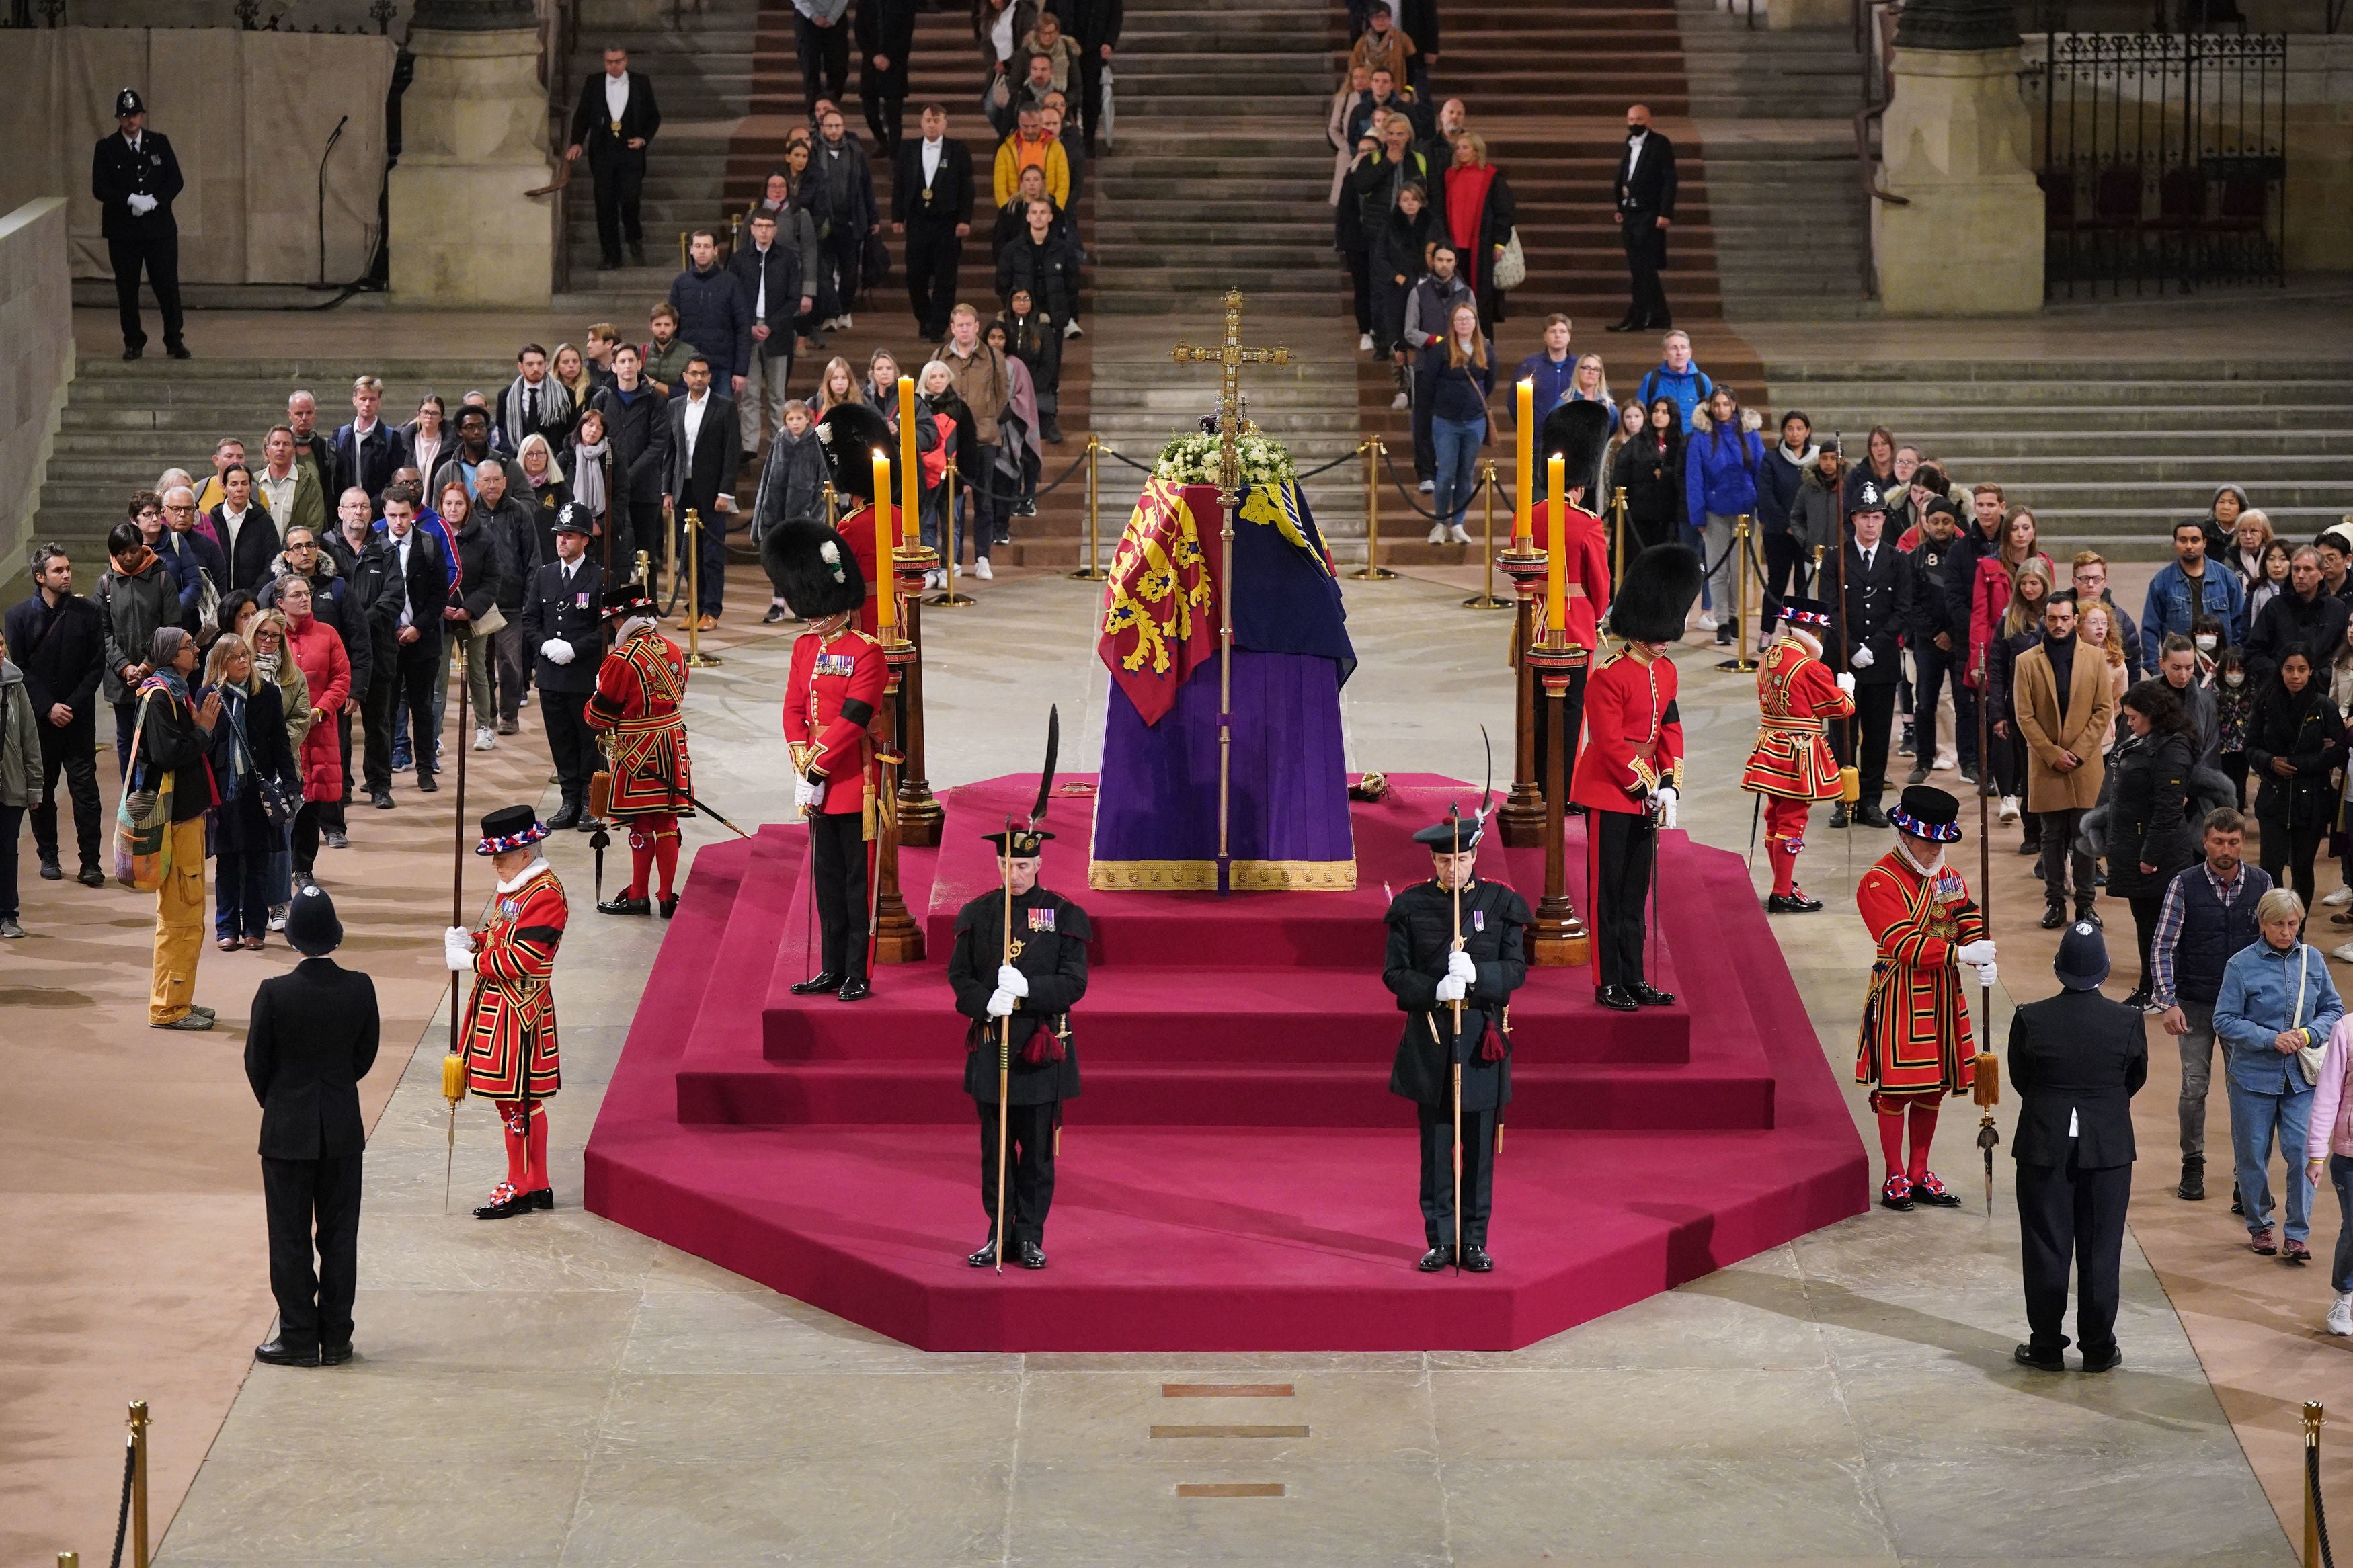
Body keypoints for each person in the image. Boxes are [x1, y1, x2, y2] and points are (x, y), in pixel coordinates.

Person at [1378, 810, 1529, 1273]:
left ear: (1475, 856)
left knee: (1479, 1152)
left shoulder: (1501, 903)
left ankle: (1475, 1241)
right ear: (1433, 859)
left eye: (1461, 859)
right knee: (1437, 1150)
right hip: (1432, 1041)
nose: (1453, 868)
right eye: (1445, 860)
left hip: (1481, 1045)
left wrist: (1479, 976)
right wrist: (1436, 989)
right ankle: (1441, 1239)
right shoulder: (1410, 905)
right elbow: (1395, 974)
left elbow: (1517, 970)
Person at [944, 815, 1090, 1268]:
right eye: (1006, 864)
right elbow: (959, 976)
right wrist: (988, 1002)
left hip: (1041, 1051)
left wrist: (1027, 989)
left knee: (1037, 1154)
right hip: (994, 1042)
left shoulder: (1064, 915)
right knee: (996, 1151)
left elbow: (1074, 983)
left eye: (1022, 865)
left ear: (1039, 863)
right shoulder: (979, 912)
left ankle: (1029, 1235)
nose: (1014, 874)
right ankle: (998, 1232)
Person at [243, 884, 378, 1366]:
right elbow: (364, 1055)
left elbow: (256, 1061)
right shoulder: (360, 986)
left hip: (286, 1131)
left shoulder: (274, 993)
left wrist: (280, 1102)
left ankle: (299, 1335)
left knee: (290, 1237)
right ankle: (337, 1336)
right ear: (335, 937)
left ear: (294, 939)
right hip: (342, 1129)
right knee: (340, 1236)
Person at [2007, 919, 2146, 1372]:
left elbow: (2021, 1079)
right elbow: (2134, 1078)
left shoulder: (2031, 1016)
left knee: (2046, 1245)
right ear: (2104, 970)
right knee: (2101, 1248)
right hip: (2107, 1147)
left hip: (2043, 1142)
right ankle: (2099, 1347)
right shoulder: (2126, 1020)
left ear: (2058, 967)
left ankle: (2047, 1344)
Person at [1855, 784, 1996, 1210]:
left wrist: (1982, 949)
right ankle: (1893, 1173)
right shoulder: (1879, 881)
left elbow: (1966, 913)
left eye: (1940, 842)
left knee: (1932, 1088)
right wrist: (1961, 953)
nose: (1935, 851)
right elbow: (1902, 943)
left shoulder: (1948, 876)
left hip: (1941, 993)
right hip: (1900, 992)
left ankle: (1919, 1171)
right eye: (1927, 841)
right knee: (1897, 1091)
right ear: (1904, 834)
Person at [1572, 543, 1700, 1012]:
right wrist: (1645, 786)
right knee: (1607, 893)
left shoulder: (1665, 671)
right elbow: (1607, 743)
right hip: (1610, 791)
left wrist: (1670, 783)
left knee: (1635, 893)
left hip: (1645, 794)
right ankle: (1608, 980)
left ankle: (1634, 975)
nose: (1666, 637)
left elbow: (1671, 728)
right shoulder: (1608, 674)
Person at [769, 519, 886, 997]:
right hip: (817, 783)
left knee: (858, 886)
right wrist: (801, 759)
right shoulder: (803, 648)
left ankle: (858, 971)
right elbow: (794, 706)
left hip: (853, 780)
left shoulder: (867, 652)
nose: (811, 616)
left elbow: (855, 718)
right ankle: (832, 966)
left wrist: (817, 765)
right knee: (827, 882)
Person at [445, 805, 570, 1219]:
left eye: (501, 855)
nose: (495, 862)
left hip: (520, 1011)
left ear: (525, 853)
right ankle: (537, 1182)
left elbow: (524, 958)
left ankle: (520, 1184)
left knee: (517, 1101)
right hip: (503, 1007)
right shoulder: (519, 889)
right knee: (523, 1102)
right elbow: (503, 933)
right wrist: (474, 939)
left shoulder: (546, 894)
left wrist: (473, 962)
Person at [2152, 807, 2270, 1202]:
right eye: (2218, 841)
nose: (2226, 849)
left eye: (2233, 842)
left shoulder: (2262, 883)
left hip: (2245, 1012)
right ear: (2205, 842)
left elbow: (2276, 947)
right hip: (2196, 1004)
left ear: (2242, 843)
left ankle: (2247, 1178)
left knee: (2246, 1091)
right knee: (2194, 1088)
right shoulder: (2183, 885)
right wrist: (2168, 1002)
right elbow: (2163, 947)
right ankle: (2193, 1162)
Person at [2216, 887, 2339, 1262]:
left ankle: (2298, 1234)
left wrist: (2307, 1034)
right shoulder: (2240, 966)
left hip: (2301, 1080)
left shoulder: (2314, 960)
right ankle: (2260, 1225)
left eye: (2293, 924)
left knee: (2303, 1151)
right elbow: (2224, 1019)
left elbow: (2333, 1009)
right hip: (2252, 1079)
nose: (2287, 932)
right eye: (2278, 925)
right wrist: (2271, 1039)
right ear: (2262, 923)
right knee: (2252, 1155)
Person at [584, 581, 693, 917]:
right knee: (668, 821)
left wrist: (589, 708)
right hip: (674, 746)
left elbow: (599, 715)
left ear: (621, 621)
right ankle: (666, 896)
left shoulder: (620, 659)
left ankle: (638, 895)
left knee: (641, 824)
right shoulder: (674, 649)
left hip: (637, 752)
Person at [134, 627, 223, 1030]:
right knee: (179, 916)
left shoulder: (175, 692)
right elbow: (168, 753)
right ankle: (168, 1008)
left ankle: (180, 998)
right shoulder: (159, 697)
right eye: (190, 646)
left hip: (189, 818)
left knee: (190, 911)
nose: (197, 650)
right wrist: (203, 729)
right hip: (175, 821)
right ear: (172, 654)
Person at [1744, 598, 1857, 913]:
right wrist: (1846, 689)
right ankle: (1782, 889)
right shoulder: (1810, 667)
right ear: (1810, 629)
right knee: (1793, 820)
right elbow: (1839, 709)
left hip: (1770, 744)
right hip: (1799, 749)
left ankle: (1784, 880)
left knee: (1775, 816)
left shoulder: (1769, 656)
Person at [8, 544, 107, 889]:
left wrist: (71, 706)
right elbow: (19, 668)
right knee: (42, 789)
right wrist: (48, 707)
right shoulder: (18, 617)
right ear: (40, 577)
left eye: (67, 569)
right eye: (58, 571)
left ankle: (91, 863)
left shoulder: (88, 612)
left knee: (86, 792)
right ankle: (48, 856)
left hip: (78, 719)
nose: (66, 575)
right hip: (40, 721)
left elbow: (96, 666)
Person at [2014, 593, 2114, 928]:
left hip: (2086, 764)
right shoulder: (2027, 661)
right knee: (2052, 837)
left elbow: (2103, 710)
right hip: (2046, 765)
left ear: (2075, 620)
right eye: (2053, 618)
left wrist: (2081, 751)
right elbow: (2024, 716)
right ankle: (2055, 902)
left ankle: (2086, 905)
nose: (2059, 624)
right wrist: (2054, 754)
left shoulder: (2096, 658)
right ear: (2045, 619)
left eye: (2065, 618)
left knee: (2085, 837)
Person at [199, 632, 299, 951]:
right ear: (221, 663)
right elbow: (203, 748)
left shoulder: (267, 693)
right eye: (236, 657)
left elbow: (280, 743)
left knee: (258, 863)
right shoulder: (208, 695)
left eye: (246, 655)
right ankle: (227, 927)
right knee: (227, 863)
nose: (244, 661)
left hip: (258, 791)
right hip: (225, 793)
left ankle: (255, 928)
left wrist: (292, 783)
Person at [2104, 680, 2200, 1009]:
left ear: (2152, 714)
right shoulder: (2145, 740)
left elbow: (2169, 810)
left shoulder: (2172, 749)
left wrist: (2150, 856)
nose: (2128, 723)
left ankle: (2157, 991)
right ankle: (2153, 987)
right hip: (2137, 847)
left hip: (2158, 858)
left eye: (2133, 717)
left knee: (2158, 930)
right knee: (2145, 925)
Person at [1827, 481, 1908, 830]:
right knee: (1843, 735)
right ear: (1853, 520)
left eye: (1876, 517)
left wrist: (1872, 648)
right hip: (1845, 664)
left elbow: (1901, 610)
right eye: (1864, 517)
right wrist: (1852, 649)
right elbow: (1831, 611)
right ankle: (1845, 799)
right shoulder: (1836, 559)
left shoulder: (1896, 560)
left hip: (1881, 662)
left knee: (1877, 736)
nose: (1871, 524)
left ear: (1884, 520)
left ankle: (1871, 801)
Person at [522, 505, 607, 831]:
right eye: (559, 535)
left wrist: (575, 648)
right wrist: (544, 645)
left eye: (569, 536)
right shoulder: (545, 575)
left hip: (583, 673)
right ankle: (569, 800)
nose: (562, 542)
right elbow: (530, 619)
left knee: (588, 741)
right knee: (561, 741)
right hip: (551, 675)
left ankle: (589, 801)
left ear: (585, 540)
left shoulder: (599, 577)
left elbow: (605, 628)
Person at [92, 88, 186, 361]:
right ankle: (133, 341)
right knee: (127, 288)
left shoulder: (159, 143)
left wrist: (155, 200)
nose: (130, 121)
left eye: (134, 115)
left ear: (142, 115)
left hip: (159, 229)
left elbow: (175, 180)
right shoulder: (107, 148)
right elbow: (100, 188)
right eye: (125, 116)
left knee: (167, 285)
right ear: (118, 119)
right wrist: (129, 198)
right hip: (124, 231)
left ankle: (174, 340)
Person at [2247, 643, 2342, 910]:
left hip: (2311, 800)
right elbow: (2250, 746)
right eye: (2290, 669)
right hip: (2273, 796)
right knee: (2270, 866)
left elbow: (2339, 751)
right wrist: (2270, 762)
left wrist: (2299, 764)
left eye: (2302, 669)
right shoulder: (2266, 703)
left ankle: (2296, 928)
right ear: (2281, 670)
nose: (2296, 676)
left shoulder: (2323, 706)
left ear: (2311, 671)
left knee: (2302, 867)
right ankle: (2272, 923)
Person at [375, 488, 449, 797]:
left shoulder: (429, 544)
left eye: (404, 515)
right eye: (392, 515)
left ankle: (425, 769)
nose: (398, 521)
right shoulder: (376, 545)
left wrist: (418, 627)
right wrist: (390, 627)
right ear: (384, 514)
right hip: (388, 641)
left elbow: (439, 595)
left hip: (423, 640)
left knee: (422, 707)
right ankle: (381, 776)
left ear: (414, 514)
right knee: (386, 711)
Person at [276, 576, 350, 882]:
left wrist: (321, 710)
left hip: (319, 730)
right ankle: (278, 869)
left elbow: (342, 678)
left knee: (312, 801)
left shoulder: (328, 634)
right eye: (297, 595)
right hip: (281, 733)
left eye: (307, 594)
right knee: (281, 802)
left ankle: (303, 868)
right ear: (281, 603)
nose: (305, 599)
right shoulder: (271, 636)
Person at [663, 356, 742, 631]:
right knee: (687, 556)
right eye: (693, 373)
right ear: (685, 376)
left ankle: (711, 610)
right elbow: (670, 451)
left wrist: (725, 493)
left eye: (704, 374)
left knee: (710, 555)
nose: (698, 378)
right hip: (683, 490)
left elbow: (732, 454)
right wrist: (666, 490)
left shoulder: (725, 406)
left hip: (712, 494)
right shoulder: (674, 406)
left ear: (710, 377)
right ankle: (693, 607)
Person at [565, 46, 661, 270]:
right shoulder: (594, 82)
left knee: (630, 199)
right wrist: (577, 141)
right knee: (605, 205)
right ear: (604, 62)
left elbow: (654, 117)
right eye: (609, 62)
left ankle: (633, 234)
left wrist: (643, 139)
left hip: (631, 152)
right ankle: (611, 255)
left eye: (617, 61)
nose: (613, 66)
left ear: (626, 61)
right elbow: (582, 116)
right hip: (603, 154)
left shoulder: (641, 82)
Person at [1683, 386, 1763, 648]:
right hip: (1714, 512)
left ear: (1734, 406)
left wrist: (1761, 506)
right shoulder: (1701, 437)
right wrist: (1699, 518)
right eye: (1716, 405)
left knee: (1741, 570)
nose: (1720, 409)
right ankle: (1723, 622)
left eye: (1725, 404)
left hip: (1744, 511)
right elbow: (1694, 479)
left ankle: (1736, 616)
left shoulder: (1750, 434)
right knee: (1718, 569)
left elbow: (1761, 471)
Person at [97, 520, 177, 780]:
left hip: (157, 676)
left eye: (133, 550)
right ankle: (129, 794)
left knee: (157, 737)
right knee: (126, 739)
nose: (129, 557)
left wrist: (147, 665)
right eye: (122, 552)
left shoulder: (162, 577)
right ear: (113, 554)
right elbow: (103, 633)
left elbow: (171, 627)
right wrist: (125, 667)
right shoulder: (106, 584)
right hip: (122, 682)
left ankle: (155, 793)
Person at [1981, 561, 2055, 835]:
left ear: (2045, 583)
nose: (2028, 589)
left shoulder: (2057, 617)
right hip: (2018, 708)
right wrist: (1997, 713)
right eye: (2023, 583)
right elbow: (1997, 669)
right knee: (2026, 772)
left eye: (2034, 583)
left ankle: (2050, 833)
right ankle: (2031, 833)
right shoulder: (2009, 620)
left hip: (2051, 708)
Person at [894, 108, 976, 345]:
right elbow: (899, 184)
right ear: (921, 123)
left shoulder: (958, 150)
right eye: (928, 120)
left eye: (937, 121)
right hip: (918, 221)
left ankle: (939, 325)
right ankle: (924, 319)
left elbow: (967, 188)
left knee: (945, 277)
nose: (932, 125)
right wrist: (898, 216)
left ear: (945, 124)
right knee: (915, 276)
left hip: (947, 222)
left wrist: (965, 219)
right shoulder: (908, 149)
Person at [589, 343, 674, 571]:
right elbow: (592, 436)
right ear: (614, 367)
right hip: (609, 487)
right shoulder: (601, 400)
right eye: (622, 361)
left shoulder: (654, 401)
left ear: (639, 364)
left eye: (631, 361)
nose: (627, 365)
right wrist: (616, 476)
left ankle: (647, 604)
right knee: (609, 553)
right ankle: (611, 604)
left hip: (644, 488)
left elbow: (658, 445)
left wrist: (629, 475)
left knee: (646, 552)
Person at [941, 303, 1011, 577]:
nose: (965, 330)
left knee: (983, 500)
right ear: (953, 327)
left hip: (983, 438)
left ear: (977, 327)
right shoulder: (941, 356)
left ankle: (983, 556)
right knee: (952, 501)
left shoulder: (993, 357)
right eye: (960, 325)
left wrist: (986, 417)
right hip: (951, 439)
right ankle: (954, 558)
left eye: (969, 324)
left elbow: (1002, 393)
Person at [731, 210, 809, 452]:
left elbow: (793, 297)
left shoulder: (786, 258)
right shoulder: (739, 258)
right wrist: (749, 325)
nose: (764, 231)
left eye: (768, 226)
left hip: (778, 332)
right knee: (750, 394)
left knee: (777, 393)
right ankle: (749, 446)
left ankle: (779, 443)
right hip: (747, 332)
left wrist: (770, 325)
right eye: (759, 226)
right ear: (752, 229)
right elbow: (733, 296)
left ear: (775, 230)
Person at [1417, 302, 1491, 546]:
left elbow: (1490, 381)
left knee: (1466, 474)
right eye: (1460, 319)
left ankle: (1458, 523)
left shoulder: (1485, 348)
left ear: (1475, 322)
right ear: (1453, 323)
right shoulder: (1441, 349)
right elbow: (1428, 383)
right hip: (1446, 421)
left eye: (1468, 319)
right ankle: (1440, 523)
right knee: (1446, 472)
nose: (1464, 323)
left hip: (1474, 422)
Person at [753, 400, 830, 622]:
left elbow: (822, 480)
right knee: (780, 559)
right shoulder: (780, 440)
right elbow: (769, 476)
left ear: (808, 418)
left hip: (804, 511)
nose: (795, 423)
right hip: (778, 509)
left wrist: (814, 512)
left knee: (802, 561)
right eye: (790, 419)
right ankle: (778, 604)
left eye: (799, 418)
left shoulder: (816, 442)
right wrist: (766, 511)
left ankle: (802, 604)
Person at [1608, 104, 1677, 333]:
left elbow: (1669, 180)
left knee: (1643, 268)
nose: (1635, 123)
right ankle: (1660, 315)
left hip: (1649, 214)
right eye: (1631, 119)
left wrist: (1665, 212)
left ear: (1649, 121)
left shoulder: (1660, 144)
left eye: (1639, 119)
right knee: (1640, 268)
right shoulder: (1629, 144)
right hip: (1630, 214)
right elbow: (1626, 177)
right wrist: (1621, 205)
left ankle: (1637, 317)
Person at [1441, 131, 1515, 333]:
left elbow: (1505, 211)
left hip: (1481, 247)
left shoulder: (1491, 177)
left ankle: (1484, 345)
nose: (1460, 152)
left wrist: (1500, 242)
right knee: (1454, 298)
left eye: (1465, 148)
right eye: (1457, 148)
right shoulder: (1450, 175)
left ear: (1477, 150)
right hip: (1455, 247)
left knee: (1480, 300)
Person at [812, 108, 879, 329]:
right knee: (824, 272)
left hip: (850, 221)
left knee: (850, 271)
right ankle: (830, 314)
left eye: (838, 126)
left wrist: (873, 217)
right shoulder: (813, 151)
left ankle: (845, 309)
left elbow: (866, 186)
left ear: (844, 127)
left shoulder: (855, 151)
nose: (834, 130)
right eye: (829, 126)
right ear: (821, 128)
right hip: (823, 223)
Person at [2248, 547, 2350, 688]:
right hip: (2278, 690)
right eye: (2296, 569)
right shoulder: (2275, 606)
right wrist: (2282, 675)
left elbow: (2343, 653)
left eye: (2307, 569)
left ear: (2321, 573)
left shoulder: (2337, 609)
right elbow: (2254, 650)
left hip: (2323, 691)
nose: (2300, 575)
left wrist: (2316, 679)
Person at [2144, 517, 2247, 655]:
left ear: (2205, 543)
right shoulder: (2161, 581)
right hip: (2179, 665)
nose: (2189, 546)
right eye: (2183, 540)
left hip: (2220, 664)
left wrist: (2235, 660)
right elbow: (2149, 629)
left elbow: (2240, 623)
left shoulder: (2226, 577)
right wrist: (2155, 667)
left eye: (2195, 540)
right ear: (2175, 544)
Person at [0, 625, 42, 939]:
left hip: (9, 785)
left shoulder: (14, 685)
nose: (0, 650)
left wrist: (34, 785)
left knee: (7, 850)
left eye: (1, 643)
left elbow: (29, 736)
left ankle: (8, 915)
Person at [329, 376, 409, 513]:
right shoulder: (340, 436)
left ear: (379, 402)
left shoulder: (392, 438)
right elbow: (335, 480)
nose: (367, 404)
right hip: (346, 513)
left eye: (372, 399)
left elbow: (395, 482)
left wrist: (371, 506)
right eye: (363, 399)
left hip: (378, 514)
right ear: (354, 400)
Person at [854, 0, 916, 150]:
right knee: (869, 110)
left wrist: (890, 57)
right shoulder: (865, 3)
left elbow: (906, 33)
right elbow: (859, 31)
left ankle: (895, 151)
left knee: (894, 113)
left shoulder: (905, 4)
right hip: (871, 63)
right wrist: (874, 57)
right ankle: (882, 141)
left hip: (895, 63)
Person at [253, 426, 328, 546]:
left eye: (286, 444)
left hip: (295, 558)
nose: (281, 449)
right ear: (267, 450)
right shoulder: (254, 482)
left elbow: (314, 526)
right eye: (276, 444)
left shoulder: (309, 484)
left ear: (294, 450)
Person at [497, 346, 574, 458]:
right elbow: (502, 433)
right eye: (530, 364)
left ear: (546, 364)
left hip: (554, 461)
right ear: (521, 367)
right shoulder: (505, 395)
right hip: (517, 460)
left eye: (540, 363)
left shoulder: (565, 394)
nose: (536, 368)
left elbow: (571, 432)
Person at [2247, 537, 2294, 626]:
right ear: (2265, 563)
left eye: (2283, 559)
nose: (2277, 565)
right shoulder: (2254, 592)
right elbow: (2245, 631)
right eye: (2271, 559)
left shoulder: (2299, 591)